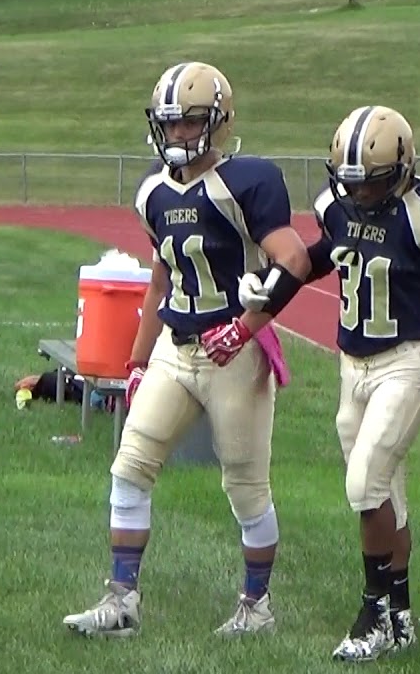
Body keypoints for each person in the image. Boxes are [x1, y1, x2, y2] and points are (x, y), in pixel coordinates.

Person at [63, 61, 311, 638]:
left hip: (235, 353)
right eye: (170, 124)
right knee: (130, 466)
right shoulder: (152, 188)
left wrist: (245, 327)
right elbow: (159, 280)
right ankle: (121, 600)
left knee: (245, 486)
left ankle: (257, 607)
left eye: (189, 122)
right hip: (177, 348)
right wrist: (135, 360)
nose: (177, 134)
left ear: (219, 122)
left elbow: (293, 259)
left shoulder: (247, 181)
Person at [240, 105, 420, 660]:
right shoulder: (340, 206)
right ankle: (400, 616)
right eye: (350, 183)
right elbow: (328, 255)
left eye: (370, 183)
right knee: (385, 495)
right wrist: (270, 287)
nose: (359, 195)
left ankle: (372, 611)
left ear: (400, 169)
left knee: (365, 485)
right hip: (351, 365)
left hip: (407, 359)